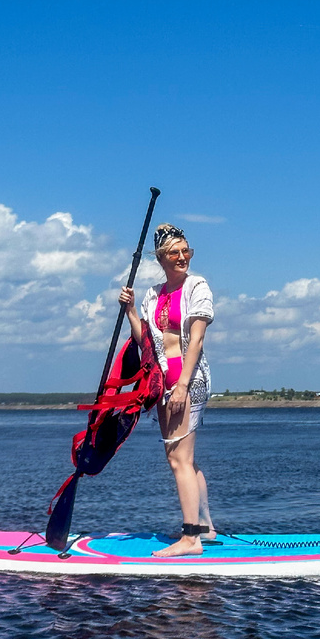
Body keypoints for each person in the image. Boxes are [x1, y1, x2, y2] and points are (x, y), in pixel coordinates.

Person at [119, 223, 215, 557]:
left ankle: (191, 538)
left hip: (188, 380)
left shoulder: (197, 286)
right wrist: (131, 311)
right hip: (163, 382)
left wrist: (183, 387)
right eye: (174, 252)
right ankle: (205, 526)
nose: (182, 257)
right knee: (184, 458)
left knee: (178, 459)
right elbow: (143, 341)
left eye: (186, 250)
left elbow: (197, 340)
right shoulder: (153, 294)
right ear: (161, 258)